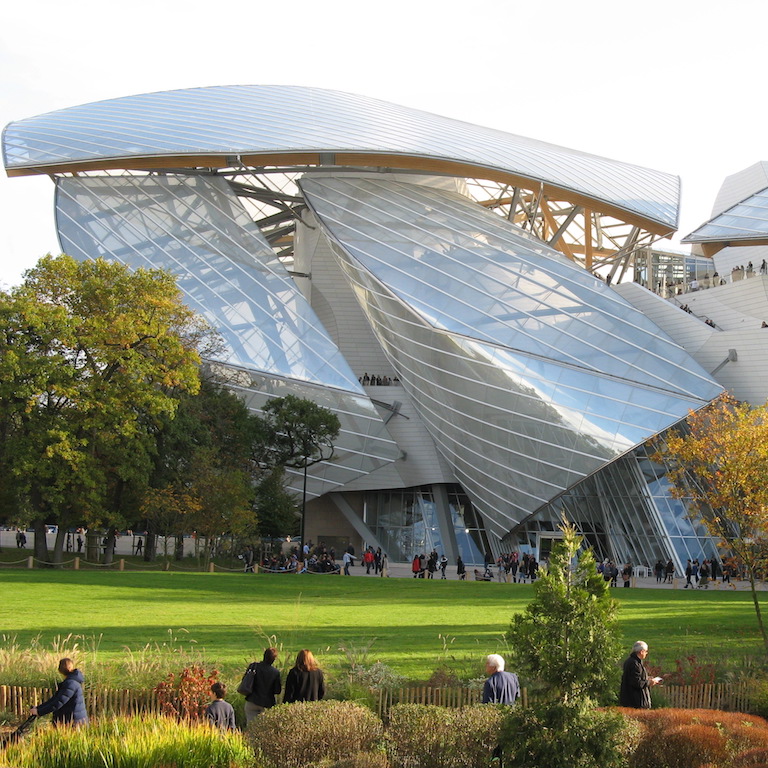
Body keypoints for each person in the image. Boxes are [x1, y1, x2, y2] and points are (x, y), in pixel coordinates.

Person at [30, 658, 88, 727]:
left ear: (60, 670)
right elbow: (54, 699)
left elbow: (58, 702)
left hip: (73, 723)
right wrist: (38, 708)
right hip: (75, 721)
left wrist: (39, 712)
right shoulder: (71, 682)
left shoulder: (70, 684)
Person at [242, 647, 282, 723]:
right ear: (274, 659)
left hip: (252, 700)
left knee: (251, 727)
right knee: (264, 729)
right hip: (267, 703)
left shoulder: (253, 666)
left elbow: (245, 680)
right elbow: (277, 690)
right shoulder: (275, 672)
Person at [619, 641, 661, 709]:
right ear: (641, 651)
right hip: (635, 702)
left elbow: (636, 677)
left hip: (630, 701)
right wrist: (650, 682)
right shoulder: (634, 664)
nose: (646, 653)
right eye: (646, 651)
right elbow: (637, 682)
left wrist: (647, 678)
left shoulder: (632, 662)